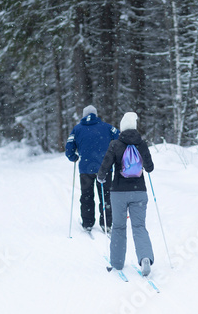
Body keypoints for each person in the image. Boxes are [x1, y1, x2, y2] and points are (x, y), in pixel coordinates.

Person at [97, 112, 154, 276]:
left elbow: (105, 166)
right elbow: (150, 168)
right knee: (139, 227)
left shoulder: (115, 144)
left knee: (119, 227)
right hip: (139, 192)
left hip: (119, 193)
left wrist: (101, 177)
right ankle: (145, 258)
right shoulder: (141, 144)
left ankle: (116, 263)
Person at [66, 105, 119, 233]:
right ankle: (106, 223)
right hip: (104, 168)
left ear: (84, 115)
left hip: (85, 168)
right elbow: (119, 137)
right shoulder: (107, 127)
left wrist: (73, 157)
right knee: (106, 196)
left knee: (86, 196)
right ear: (96, 114)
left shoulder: (77, 129)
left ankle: (88, 223)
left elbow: (69, 148)